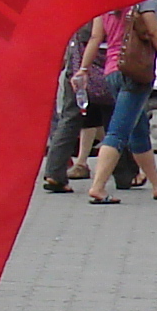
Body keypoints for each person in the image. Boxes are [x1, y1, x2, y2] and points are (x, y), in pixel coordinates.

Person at [84, 0, 157, 203]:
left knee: (138, 129)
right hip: (134, 71)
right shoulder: (143, 0)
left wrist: (84, 68)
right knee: (118, 132)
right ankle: (98, 187)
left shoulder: (106, 0)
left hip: (112, 71)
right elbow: (154, 32)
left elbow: (95, 37)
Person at [38, 21, 102, 195]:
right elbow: (96, 35)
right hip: (96, 62)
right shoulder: (101, 3)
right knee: (118, 117)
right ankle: (126, 172)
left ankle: (55, 170)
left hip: (76, 59)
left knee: (70, 117)